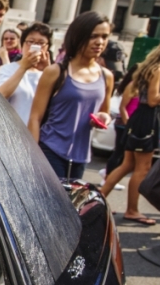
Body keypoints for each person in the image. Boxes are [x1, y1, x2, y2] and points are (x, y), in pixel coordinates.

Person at [100, 36, 160, 225]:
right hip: (147, 120)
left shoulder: (150, 68)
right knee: (142, 168)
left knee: (127, 165)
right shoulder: (156, 70)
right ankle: (132, 210)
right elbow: (153, 101)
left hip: (140, 120)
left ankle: (99, 200)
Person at [28, 11, 114, 180]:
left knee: (71, 205)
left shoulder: (106, 76)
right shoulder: (56, 71)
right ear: (78, 36)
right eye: (93, 36)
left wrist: (104, 118)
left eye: (105, 37)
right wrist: (33, 156)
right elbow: (35, 118)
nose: (99, 42)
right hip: (50, 150)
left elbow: (105, 111)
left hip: (81, 155)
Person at [0, 22, 52, 125]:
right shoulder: (9, 69)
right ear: (23, 44)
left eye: (41, 43)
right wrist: (23, 67)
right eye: (31, 41)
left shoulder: (49, 73)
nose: (35, 46)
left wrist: (47, 71)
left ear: (47, 47)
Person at [99, 63, 140, 186]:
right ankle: (107, 178)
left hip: (129, 124)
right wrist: (128, 124)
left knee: (121, 154)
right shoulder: (132, 86)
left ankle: (107, 174)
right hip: (124, 124)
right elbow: (123, 107)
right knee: (119, 153)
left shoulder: (140, 87)